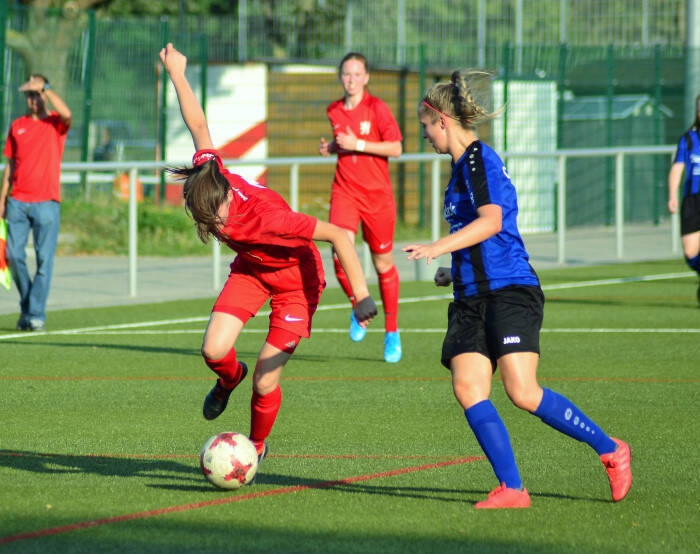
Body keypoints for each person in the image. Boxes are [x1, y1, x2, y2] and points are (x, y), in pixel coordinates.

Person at [404, 69, 632, 509]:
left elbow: (491, 222)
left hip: (510, 291)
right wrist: (454, 267)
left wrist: (437, 246)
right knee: (468, 388)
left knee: (523, 392)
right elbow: (482, 233)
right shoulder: (458, 170)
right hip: (471, 296)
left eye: (426, 127)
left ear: (443, 122)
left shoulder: (476, 159)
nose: (425, 136)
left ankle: (610, 449)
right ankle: (512, 488)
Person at [159, 43, 378, 469]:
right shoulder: (210, 173)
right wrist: (177, 74)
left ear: (224, 199)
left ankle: (255, 448)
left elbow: (337, 235)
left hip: (297, 282)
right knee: (213, 350)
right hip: (253, 272)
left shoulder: (269, 218)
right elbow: (199, 125)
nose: (216, 229)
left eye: (216, 220)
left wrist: (361, 297)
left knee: (265, 379)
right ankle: (228, 378)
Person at [318, 52, 403, 363]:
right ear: (340, 76)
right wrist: (331, 147)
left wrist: (359, 145)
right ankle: (360, 303)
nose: (350, 80)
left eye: (356, 74)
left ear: (366, 78)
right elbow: (345, 142)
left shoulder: (377, 108)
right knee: (339, 252)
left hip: (378, 198)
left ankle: (392, 332)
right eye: (346, 74)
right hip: (345, 192)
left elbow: (396, 147)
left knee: (383, 264)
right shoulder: (334, 110)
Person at [1, 74, 72, 332]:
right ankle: (30, 306)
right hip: (18, 201)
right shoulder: (17, 125)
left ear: (44, 94)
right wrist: (2, 199)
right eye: (29, 95)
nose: (32, 99)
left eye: (36, 94)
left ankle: (34, 314)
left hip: (47, 203)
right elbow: (10, 165)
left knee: (44, 261)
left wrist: (46, 88)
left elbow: (67, 113)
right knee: (13, 255)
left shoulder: (55, 123)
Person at [668, 94, 700, 305]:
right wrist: (672, 194)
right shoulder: (688, 138)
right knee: (690, 253)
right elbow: (678, 167)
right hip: (692, 200)